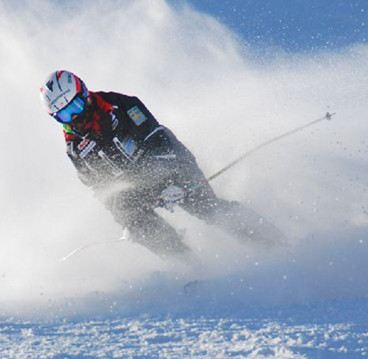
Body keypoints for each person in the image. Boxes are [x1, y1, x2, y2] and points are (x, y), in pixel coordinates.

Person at [40, 70, 283, 257]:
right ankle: (188, 265)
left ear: (85, 94)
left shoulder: (123, 106)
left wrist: (175, 179)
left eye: (76, 106)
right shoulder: (75, 148)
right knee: (135, 220)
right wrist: (127, 220)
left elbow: (161, 141)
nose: (75, 118)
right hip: (136, 187)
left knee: (208, 208)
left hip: (170, 168)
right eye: (64, 115)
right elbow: (100, 189)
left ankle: (273, 242)